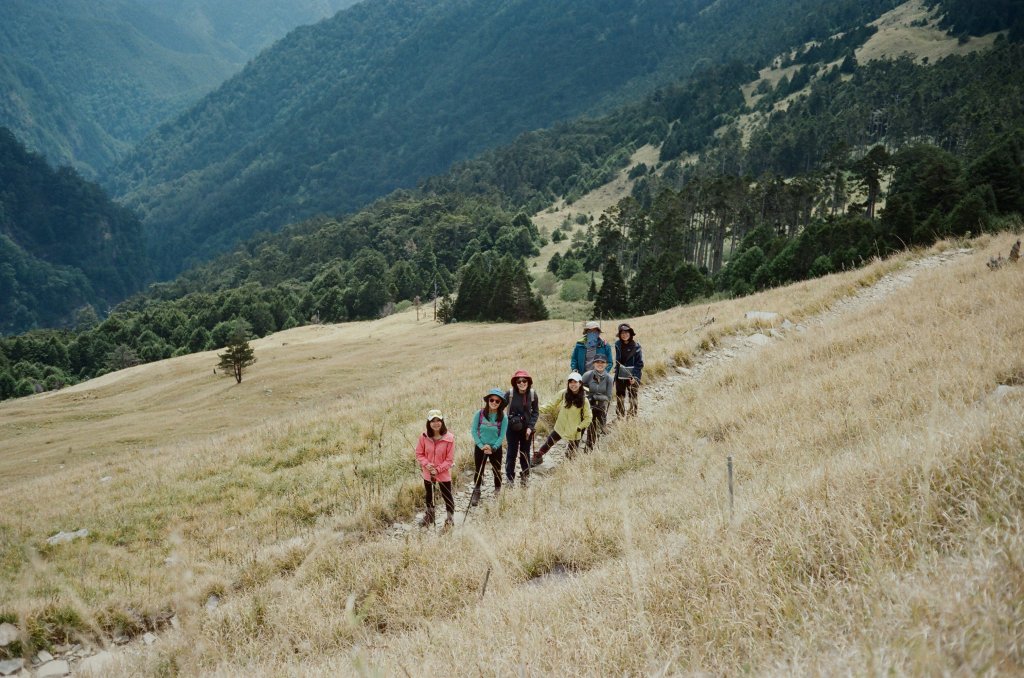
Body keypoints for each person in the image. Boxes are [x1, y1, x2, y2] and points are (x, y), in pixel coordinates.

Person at [531, 372, 592, 465]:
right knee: (549, 442)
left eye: (575, 382)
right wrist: (536, 410)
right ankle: (538, 457)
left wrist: (579, 427)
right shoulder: (564, 393)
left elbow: (588, 417)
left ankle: (567, 468)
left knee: (571, 452)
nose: (573, 384)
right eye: (571, 382)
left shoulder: (584, 400)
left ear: (580, 383)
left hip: (574, 430)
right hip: (560, 426)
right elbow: (551, 405)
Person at [414, 409, 456, 530]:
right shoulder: (423, 436)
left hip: (443, 473)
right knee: (429, 494)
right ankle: (430, 515)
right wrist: (427, 464)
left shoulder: (449, 438)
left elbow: (449, 460)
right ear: (429, 422)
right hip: (428, 472)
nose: (436, 423)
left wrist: (437, 470)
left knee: (447, 495)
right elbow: (419, 453)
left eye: (438, 420)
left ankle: (450, 518)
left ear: (442, 422)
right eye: (433, 421)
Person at [470, 388, 508, 506]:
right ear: (488, 400)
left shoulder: (503, 417)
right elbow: (474, 431)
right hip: (480, 447)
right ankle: (477, 490)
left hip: (495, 449)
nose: (494, 403)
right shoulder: (479, 414)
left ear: (501, 403)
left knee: (497, 470)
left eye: (497, 401)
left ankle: (497, 489)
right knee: (479, 470)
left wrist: (494, 448)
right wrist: (481, 446)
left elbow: (502, 435)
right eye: (492, 400)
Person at [505, 370, 539, 487]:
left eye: (524, 380)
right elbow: (499, 409)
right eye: (518, 381)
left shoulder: (533, 394)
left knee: (525, 453)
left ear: (528, 382)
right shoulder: (510, 394)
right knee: (511, 454)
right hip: (512, 429)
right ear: (515, 382)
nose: (522, 383)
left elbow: (535, 412)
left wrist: (530, 427)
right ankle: (509, 478)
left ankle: (525, 476)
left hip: (526, 430)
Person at [581, 354, 614, 452]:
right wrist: (586, 397)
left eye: (602, 362)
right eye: (597, 362)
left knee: (593, 430)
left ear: (606, 364)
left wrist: (594, 396)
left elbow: (608, 397)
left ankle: (588, 451)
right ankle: (572, 450)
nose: (600, 364)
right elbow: (580, 388)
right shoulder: (587, 375)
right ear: (594, 363)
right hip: (587, 406)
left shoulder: (609, 378)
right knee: (580, 428)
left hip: (600, 407)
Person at [614, 323, 644, 418]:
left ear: (630, 333)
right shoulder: (617, 344)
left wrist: (634, 377)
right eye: (622, 333)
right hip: (620, 375)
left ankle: (632, 416)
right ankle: (620, 416)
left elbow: (639, 364)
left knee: (633, 397)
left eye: (626, 332)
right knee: (620, 397)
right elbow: (617, 360)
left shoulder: (636, 346)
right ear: (619, 334)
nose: (624, 334)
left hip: (633, 376)